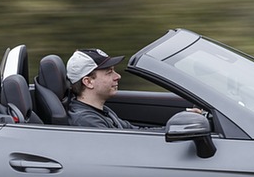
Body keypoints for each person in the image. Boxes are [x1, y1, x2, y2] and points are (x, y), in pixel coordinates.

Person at [65, 48, 204, 129]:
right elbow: (124, 147)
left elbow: (137, 133)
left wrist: (181, 122)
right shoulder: (86, 121)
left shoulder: (101, 111)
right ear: (88, 82)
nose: (117, 76)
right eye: (109, 72)